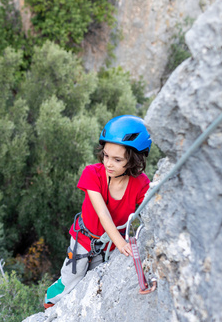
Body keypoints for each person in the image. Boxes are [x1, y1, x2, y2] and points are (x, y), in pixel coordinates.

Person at [44, 115, 152, 309]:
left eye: (117, 159)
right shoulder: (92, 174)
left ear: (134, 160)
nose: (108, 163)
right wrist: (121, 243)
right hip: (84, 238)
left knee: (91, 280)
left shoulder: (141, 184)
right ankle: (51, 300)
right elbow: (102, 213)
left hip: (107, 245)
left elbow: (153, 209)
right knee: (73, 277)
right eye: (106, 155)